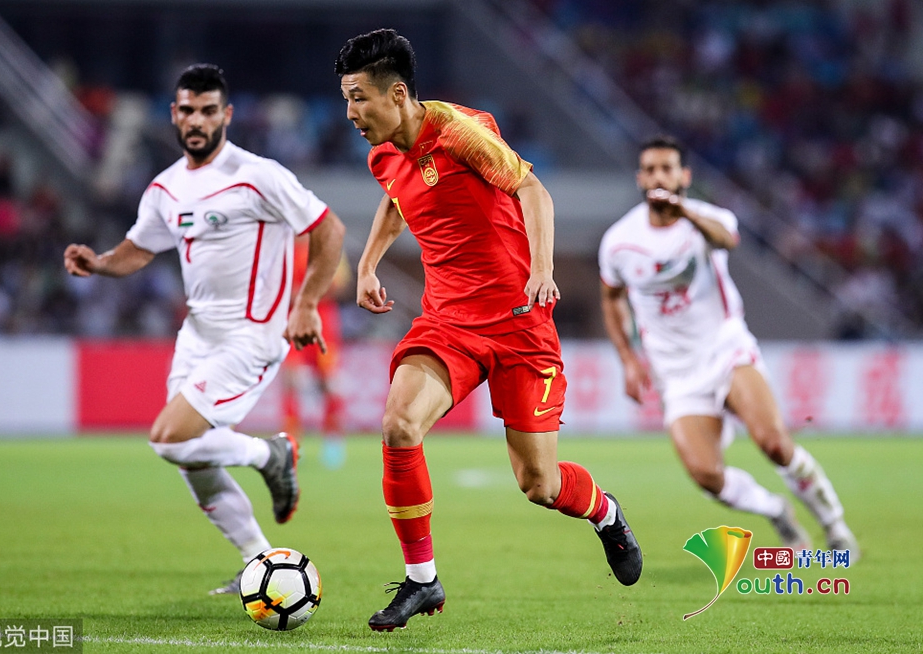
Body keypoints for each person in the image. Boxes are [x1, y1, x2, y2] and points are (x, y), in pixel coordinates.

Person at [335, 29, 642, 632]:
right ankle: (422, 579)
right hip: (448, 323)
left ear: (396, 94)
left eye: (358, 98)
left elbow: (532, 189)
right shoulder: (382, 155)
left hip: (519, 323)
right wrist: (368, 264)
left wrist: (542, 270)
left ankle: (605, 513)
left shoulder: (459, 133)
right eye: (346, 99)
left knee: (540, 484)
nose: (350, 113)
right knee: (399, 425)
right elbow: (397, 199)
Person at [63, 64, 346, 594]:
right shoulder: (166, 188)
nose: (197, 120)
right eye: (188, 110)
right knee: (190, 458)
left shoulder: (258, 175)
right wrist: (99, 263)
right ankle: (258, 559)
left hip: (251, 335)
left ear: (226, 115)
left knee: (169, 439)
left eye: (208, 111)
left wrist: (307, 303)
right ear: (174, 114)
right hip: (196, 337)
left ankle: (269, 454)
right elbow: (139, 249)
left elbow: (328, 229)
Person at [598, 135, 859, 560]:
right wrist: (628, 358)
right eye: (650, 169)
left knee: (774, 444)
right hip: (675, 372)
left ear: (684, 176)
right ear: (640, 178)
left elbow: (728, 240)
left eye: (667, 168)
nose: (659, 177)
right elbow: (611, 298)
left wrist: (684, 212)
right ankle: (775, 510)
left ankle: (835, 526)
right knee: (706, 475)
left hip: (726, 350)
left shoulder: (708, 219)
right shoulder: (619, 241)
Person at [280, 235, 352, 469]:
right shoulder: (281, 245)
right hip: (291, 320)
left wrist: (306, 293)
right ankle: (291, 442)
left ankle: (332, 439)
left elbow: (340, 284)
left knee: (328, 382)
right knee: (291, 380)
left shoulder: (327, 243)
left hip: (323, 321)